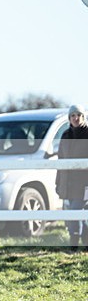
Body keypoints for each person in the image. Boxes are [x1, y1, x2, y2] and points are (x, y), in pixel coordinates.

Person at [56, 104, 88, 250]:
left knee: (79, 211)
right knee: (72, 214)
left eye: (78, 115)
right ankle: (75, 244)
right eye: (73, 115)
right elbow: (60, 159)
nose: (76, 118)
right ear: (69, 118)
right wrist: (59, 182)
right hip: (69, 182)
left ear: (83, 116)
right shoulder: (65, 135)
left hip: (84, 182)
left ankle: (79, 244)